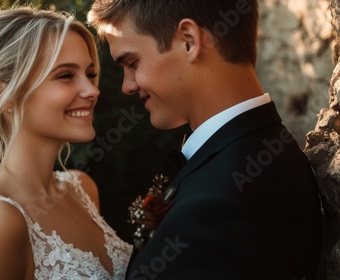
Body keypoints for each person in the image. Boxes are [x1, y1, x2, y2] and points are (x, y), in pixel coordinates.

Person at [87, 0, 322, 279]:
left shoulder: (219, 204)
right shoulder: (266, 152)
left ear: (189, 41)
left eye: (133, 63)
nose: (127, 85)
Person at [0, 5, 132, 280]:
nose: (92, 90)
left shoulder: (82, 189)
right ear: (6, 96)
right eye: (65, 75)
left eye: (88, 74)